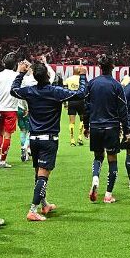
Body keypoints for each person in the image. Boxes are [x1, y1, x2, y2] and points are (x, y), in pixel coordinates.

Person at [10, 60, 86, 221]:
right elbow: (81, 93)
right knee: (43, 175)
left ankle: (44, 204)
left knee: (38, 173)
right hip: (49, 139)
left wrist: (21, 73)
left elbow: (14, 90)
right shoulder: (55, 91)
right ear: (47, 75)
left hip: (34, 139)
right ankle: (33, 210)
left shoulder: (30, 91)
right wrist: (83, 75)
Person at [82, 55, 127, 203]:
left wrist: (86, 126)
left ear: (99, 67)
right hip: (111, 126)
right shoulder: (116, 85)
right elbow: (123, 110)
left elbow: (86, 107)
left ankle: (95, 179)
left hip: (95, 125)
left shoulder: (92, 84)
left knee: (98, 157)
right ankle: (108, 194)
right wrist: (126, 130)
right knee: (112, 159)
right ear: (112, 66)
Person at [0, 53, 35, 168]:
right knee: (7, 135)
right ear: (15, 64)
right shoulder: (18, 77)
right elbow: (27, 89)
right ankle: (3, 160)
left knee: (0, 134)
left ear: (3, 63)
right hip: (11, 109)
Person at [64, 61, 86, 146]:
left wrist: (65, 103)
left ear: (74, 71)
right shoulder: (82, 79)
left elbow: (65, 91)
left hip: (71, 101)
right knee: (82, 120)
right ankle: (80, 137)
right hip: (81, 101)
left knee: (71, 122)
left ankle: (72, 139)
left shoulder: (68, 79)